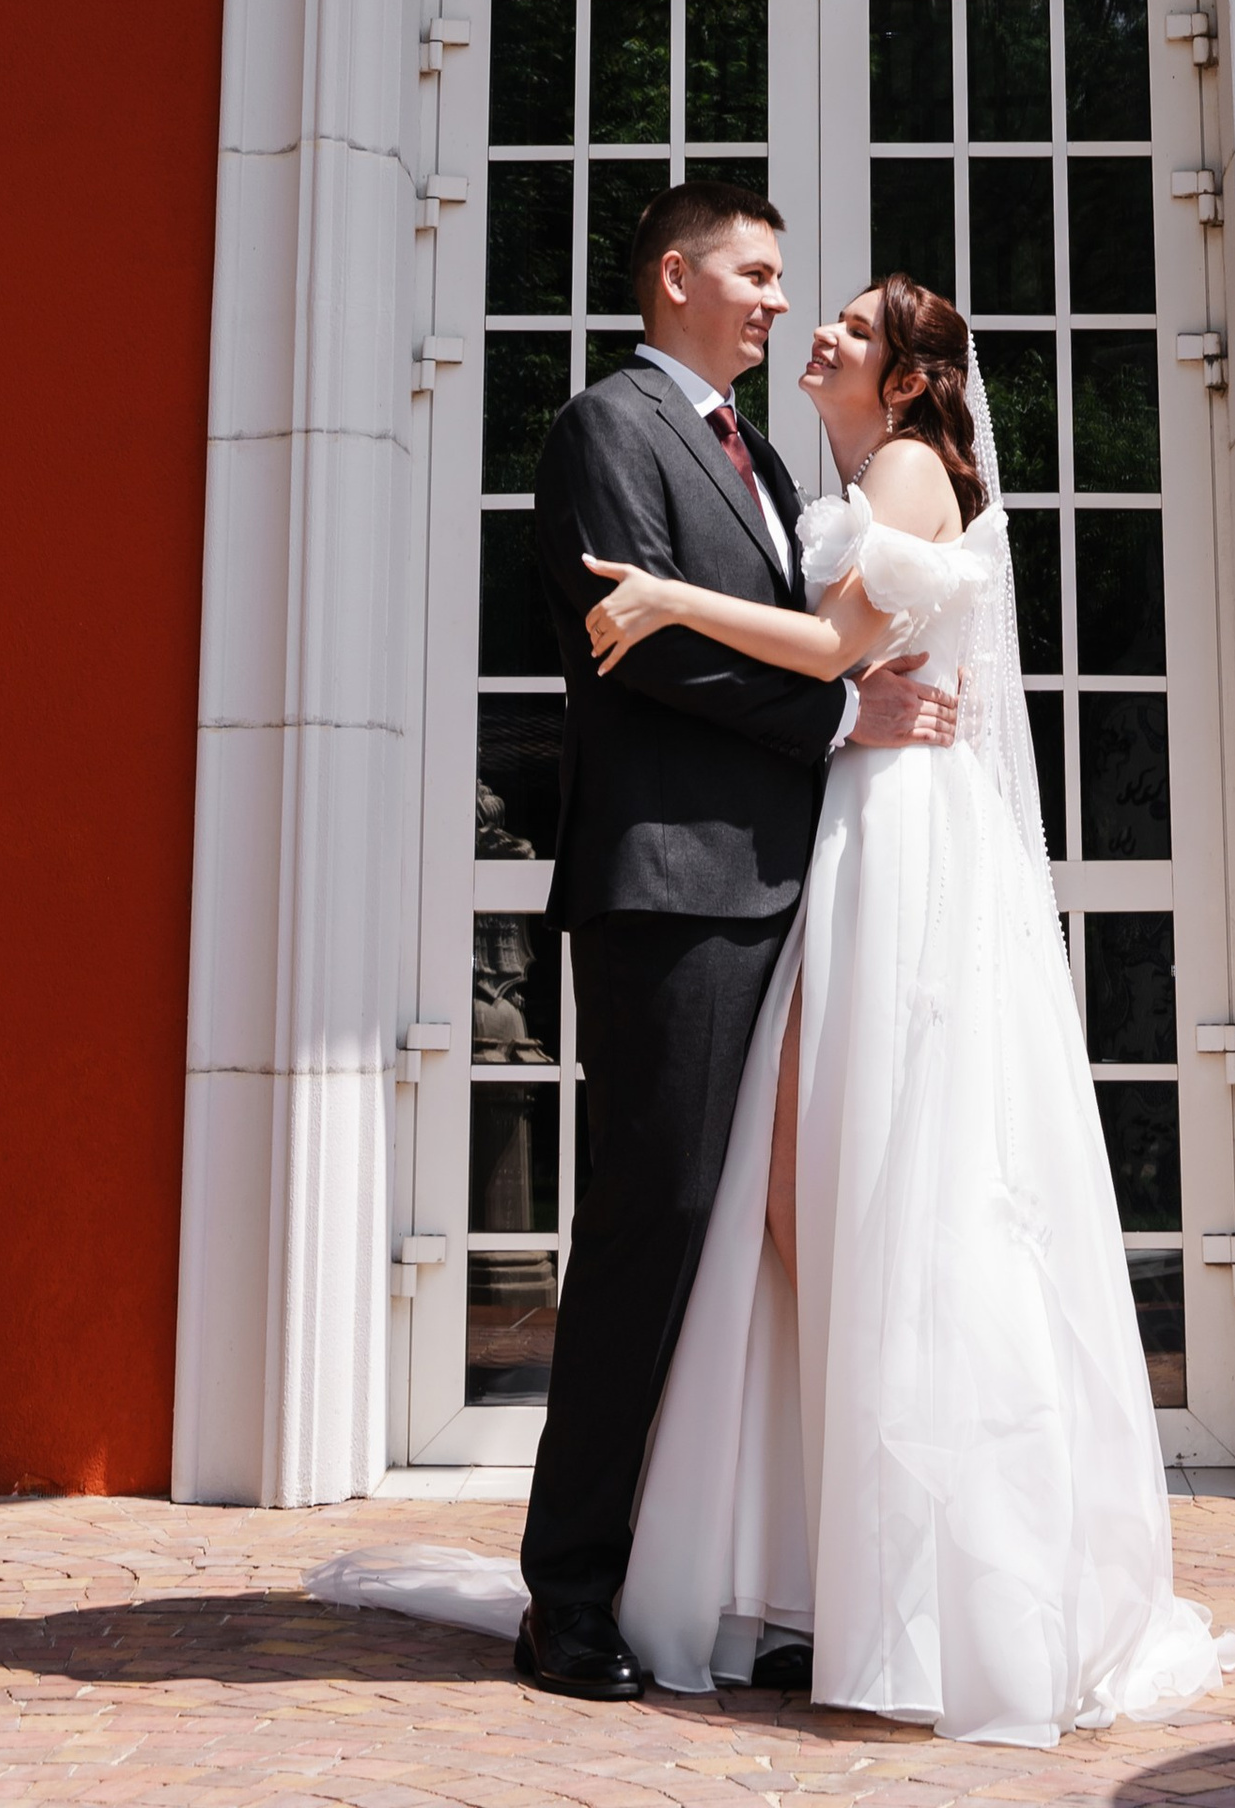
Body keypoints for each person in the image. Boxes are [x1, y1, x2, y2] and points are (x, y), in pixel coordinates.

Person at [587, 272, 1235, 1749]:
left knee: (866, 1197)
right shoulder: (863, 473)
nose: (819, 332)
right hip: (867, 821)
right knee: (825, 1198)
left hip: (900, 842)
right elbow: (848, 660)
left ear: (904, 377)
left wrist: (666, 595)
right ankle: (845, 1564)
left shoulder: (904, 468)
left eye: (855, 327)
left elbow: (830, 653)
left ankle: (932, 1582)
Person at [508, 184, 961, 1707]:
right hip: (676, 890)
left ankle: (737, 1580)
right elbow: (639, 651)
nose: (778, 300)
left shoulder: (763, 456)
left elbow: (769, 627)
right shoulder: (608, 428)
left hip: (794, 887)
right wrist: (841, 715)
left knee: (769, 1248)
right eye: (756, 273)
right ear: (675, 275)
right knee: (655, 1228)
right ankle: (569, 1596)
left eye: (782, 280)